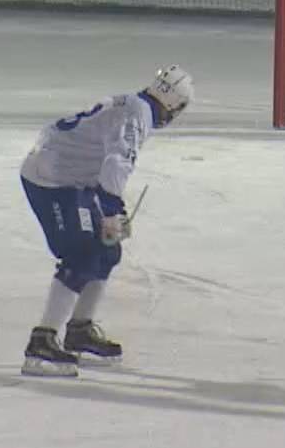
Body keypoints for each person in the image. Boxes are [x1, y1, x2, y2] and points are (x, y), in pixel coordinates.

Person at [18, 66, 192, 377]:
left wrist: (109, 211)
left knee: (107, 250)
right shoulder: (139, 116)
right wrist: (111, 212)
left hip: (67, 176)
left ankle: (79, 329)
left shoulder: (133, 104)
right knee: (82, 252)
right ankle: (42, 339)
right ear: (175, 106)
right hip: (52, 179)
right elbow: (115, 164)